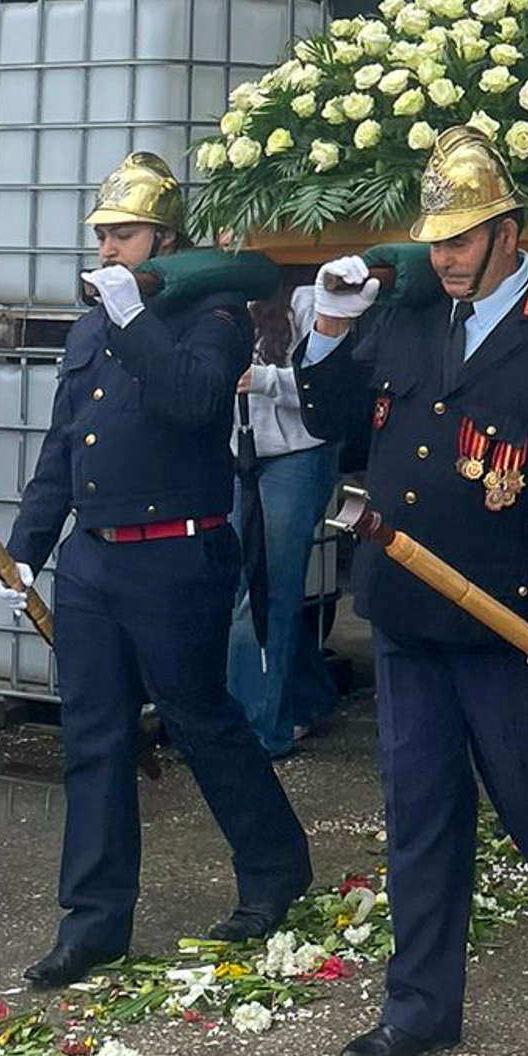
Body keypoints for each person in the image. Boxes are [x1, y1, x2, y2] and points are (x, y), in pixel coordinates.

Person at [297, 127, 528, 1056]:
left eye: (461, 240)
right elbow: (332, 417)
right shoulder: (411, 319)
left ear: (508, 232)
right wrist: (330, 325)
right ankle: (419, 1008)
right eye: (436, 242)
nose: (445, 258)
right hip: (407, 612)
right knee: (420, 808)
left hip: (512, 622)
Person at [2, 152, 312, 987]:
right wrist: (26, 548)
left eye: (126, 234)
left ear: (165, 240)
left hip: (177, 552)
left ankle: (275, 869)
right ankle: (94, 921)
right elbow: (64, 445)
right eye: (102, 234)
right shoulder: (93, 324)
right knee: (92, 737)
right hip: (94, 557)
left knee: (199, 719)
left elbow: (192, 399)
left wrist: (135, 317)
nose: (108, 248)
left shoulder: (213, 314)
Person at [227, 284, 342, 758]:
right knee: (237, 585)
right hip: (240, 455)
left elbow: (330, 389)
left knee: (265, 590)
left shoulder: (309, 297)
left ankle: (258, 732)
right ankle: (307, 698)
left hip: (298, 455)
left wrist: (264, 379)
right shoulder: (228, 296)